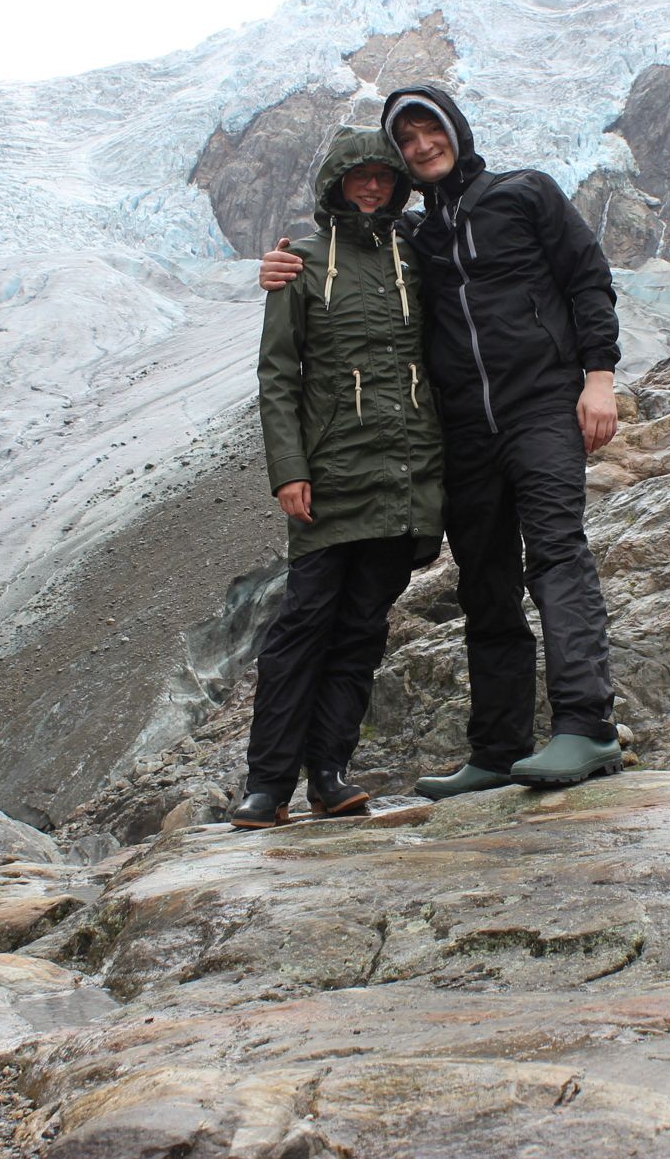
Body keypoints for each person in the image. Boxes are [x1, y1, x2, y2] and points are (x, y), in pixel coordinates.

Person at [260, 84, 623, 799]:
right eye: (409, 140)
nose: (424, 146)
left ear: (455, 129)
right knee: (485, 582)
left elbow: (588, 276)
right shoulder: (416, 239)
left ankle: (588, 726)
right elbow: (350, 256)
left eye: (432, 131)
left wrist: (599, 377)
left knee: (556, 555)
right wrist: (280, 267)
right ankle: (497, 748)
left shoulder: (525, 194)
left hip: (541, 405)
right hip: (464, 430)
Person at [236, 126, 447, 829]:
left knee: (361, 630)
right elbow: (278, 375)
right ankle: (267, 784)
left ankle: (329, 774)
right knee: (303, 624)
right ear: (334, 184)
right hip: (329, 478)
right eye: (358, 176)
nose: (371, 186)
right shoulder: (298, 264)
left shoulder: (414, 257)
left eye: (383, 177)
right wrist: (288, 471)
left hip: (403, 474)